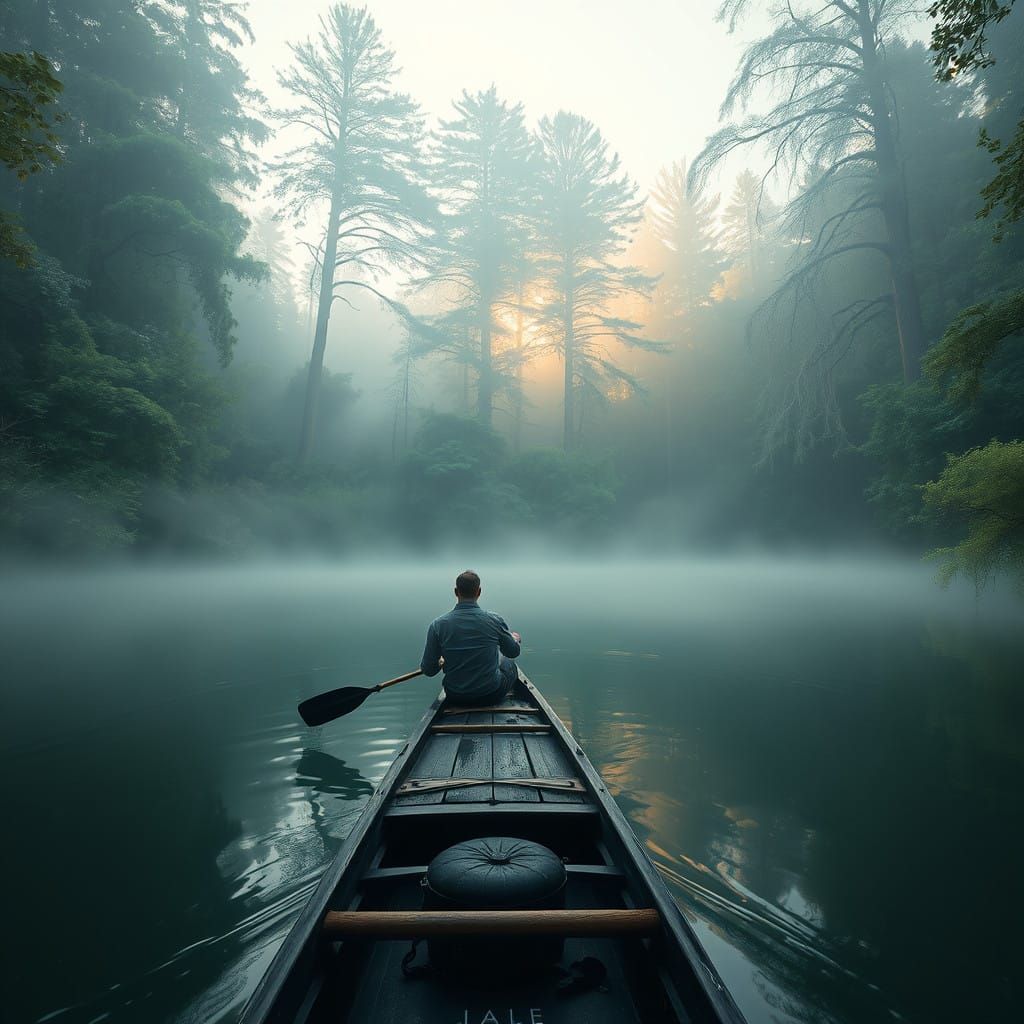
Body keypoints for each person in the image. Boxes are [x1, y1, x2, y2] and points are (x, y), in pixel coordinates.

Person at [420, 569, 521, 706]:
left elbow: (428, 670)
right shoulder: (494, 620)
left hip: (455, 696)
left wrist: (440, 661)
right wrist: (514, 638)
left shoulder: (437, 625)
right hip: (490, 694)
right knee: (508, 662)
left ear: (456, 592)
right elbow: (513, 652)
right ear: (479, 592)